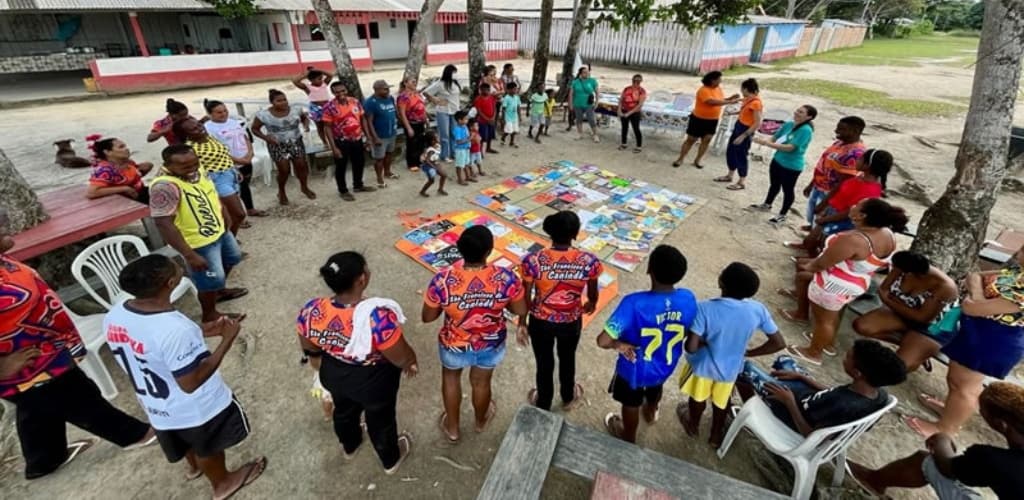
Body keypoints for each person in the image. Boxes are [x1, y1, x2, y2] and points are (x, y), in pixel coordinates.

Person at [0, 207, 157, 480]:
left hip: (45, 348)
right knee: (79, 397)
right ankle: (134, 434)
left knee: (35, 408)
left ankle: (44, 460)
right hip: (28, 363)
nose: (8, 226)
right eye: (1, 227)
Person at [105, 255, 265, 498]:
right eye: (177, 269)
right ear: (170, 283)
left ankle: (193, 468)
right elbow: (191, 383)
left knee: (181, 439)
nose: (181, 268)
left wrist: (200, 332)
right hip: (193, 408)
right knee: (206, 445)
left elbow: (151, 343)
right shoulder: (175, 331)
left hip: (156, 405)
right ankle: (222, 483)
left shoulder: (116, 314)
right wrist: (227, 340)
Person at [296, 251, 418, 473]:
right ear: (362, 279)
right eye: (366, 268)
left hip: (333, 371)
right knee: (380, 418)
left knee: (343, 410)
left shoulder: (312, 309)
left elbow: (307, 342)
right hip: (373, 380)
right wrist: (410, 361)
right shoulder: (377, 317)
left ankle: (350, 446)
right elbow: (398, 355)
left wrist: (317, 361)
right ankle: (390, 458)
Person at [422, 226, 527, 443]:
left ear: (459, 250)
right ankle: (480, 420)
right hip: (491, 344)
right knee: (481, 382)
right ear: (489, 251)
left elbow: (428, 317)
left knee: (451, 379)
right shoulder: (506, 278)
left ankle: (453, 428)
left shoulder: (442, 281)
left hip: (453, 344)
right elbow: (520, 310)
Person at [906, 249, 1024, 438]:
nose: (1019, 252)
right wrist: (979, 299)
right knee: (956, 380)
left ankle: (946, 429)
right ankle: (951, 412)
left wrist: (977, 298)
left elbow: (971, 307)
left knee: (965, 387)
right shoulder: (1017, 273)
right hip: (979, 332)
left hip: (994, 340)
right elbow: (975, 275)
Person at [779, 198, 907, 366]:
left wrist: (809, 265)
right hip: (857, 281)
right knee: (832, 316)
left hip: (833, 284)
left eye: (857, 205)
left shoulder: (854, 240)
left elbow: (821, 264)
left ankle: (813, 352)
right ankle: (826, 342)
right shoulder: (887, 233)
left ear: (862, 215)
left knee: (825, 320)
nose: (852, 205)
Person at [850, 381, 1024, 499]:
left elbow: (948, 468)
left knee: (925, 461)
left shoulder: (993, 460)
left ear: (1001, 424)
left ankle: (873, 480)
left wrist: (942, 441)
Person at [677, 262, 785, 448]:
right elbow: (778, 342)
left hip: (703, 368)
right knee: (722, 402)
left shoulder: (704, 308)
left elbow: (691, 348)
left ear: (721, 283)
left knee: (697, 399)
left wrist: (704, 341)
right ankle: (715, 435)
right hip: (731, 369)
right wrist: (750, 352)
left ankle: (693, 425)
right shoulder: (757, 309)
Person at [597, 245, 698, 444]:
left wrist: (619, 344)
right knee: (655, 389)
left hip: (633, 369)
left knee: (630, 402)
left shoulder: (633, 303)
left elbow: (603, 340)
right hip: (664, 365)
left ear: (649, 269)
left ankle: (628, 436)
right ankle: (651, 412)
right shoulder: (688, 298)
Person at [149, 144, 247, 322]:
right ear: (168, 165)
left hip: (218, 230)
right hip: (198, 242)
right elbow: (163, 223)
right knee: (207, 280)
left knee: (233, 258)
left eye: (195, 163)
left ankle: (219, 290)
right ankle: (210, 315)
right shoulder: (164, 186)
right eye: (185, 166)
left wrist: (224, 213)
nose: (192, 168)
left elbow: (211, 192)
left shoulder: (198, 169)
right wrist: (190, 254)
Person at [518, 211, 603, 411]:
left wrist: (522, 322)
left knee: (544, 362)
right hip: (571, 321)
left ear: (550, 234)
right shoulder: (589, 261)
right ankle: (567, 395)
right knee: (568, 358)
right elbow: (592, 291)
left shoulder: (533, 261)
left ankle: (544, 401)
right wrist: (591, 303)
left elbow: (526, 295)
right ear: (575, 234)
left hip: (540, 322)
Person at [736, 339, 906, 436]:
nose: (844, 358)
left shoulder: (844, 406)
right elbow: (831, 392)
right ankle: (773, 387)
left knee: (742, 368)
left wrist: (789, 402)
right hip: (806, 399)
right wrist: (802, 377)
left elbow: (810, 434)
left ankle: (752, 409)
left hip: (792, 413)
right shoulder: (875, 392)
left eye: (848, 357)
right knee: (784, 361)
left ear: (857, 372)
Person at [853, 251, 959, 372]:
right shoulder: (902, 266)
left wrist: (890, 302)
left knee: (898, 367)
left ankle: (919, 350)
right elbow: (884, 289)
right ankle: (913, 346)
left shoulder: (945, 287)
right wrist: (893, 303)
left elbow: (923, 318)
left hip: (934, 328)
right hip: (903, 314)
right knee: (862, 326)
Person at [786, 148, 892, 254]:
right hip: (832, 212)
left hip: (841, 220)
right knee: (814, 237)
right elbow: (841, 193)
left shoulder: (869, 189)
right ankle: (808, 248)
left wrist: (826, 219)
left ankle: (814, 262)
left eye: (860, 158)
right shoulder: (861, 177)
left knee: (826, 244)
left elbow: (851, 212)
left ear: (867, 165)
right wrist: (826, 207)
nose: (856, 160)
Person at [174, 117, 247, 237]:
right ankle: (229, 240)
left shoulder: (209, 138)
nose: (200, 129)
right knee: (239, 214)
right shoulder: (190, 150)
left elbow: (224, 154)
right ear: (186, 134)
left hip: (230, 175)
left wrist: (234, 170)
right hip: (217, 181)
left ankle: (229, 240)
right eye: (194, 129)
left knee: (228, 215)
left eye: (199, 125)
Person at [749, 104, 818, 224]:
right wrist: (767, 141)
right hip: (777, 160)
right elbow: (775, 137)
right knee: (774, 184)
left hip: (791, 166)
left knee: (787, 190)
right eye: (797, 110)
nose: (797, 113)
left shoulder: (805, 130)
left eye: (801, 112)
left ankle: (783, 214)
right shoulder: (789, 124)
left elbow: (790, 148)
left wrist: (766, 144)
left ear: (809, 117)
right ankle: (767, 204)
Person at [203, 99, 266, 221]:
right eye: (219, 112)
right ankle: (234, 217)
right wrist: (239, 160)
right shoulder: (208, 129)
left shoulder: (235, 123)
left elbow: (246, 138)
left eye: (225, 110)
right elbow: (216, 150)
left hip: (245, 159)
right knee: (231, 191)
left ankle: (250, 209)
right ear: (210, 114)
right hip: (228, 164)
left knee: (245, 186)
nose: (224, 114)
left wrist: (250, 154)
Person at [800, 116, 867, 231]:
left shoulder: (855, 153)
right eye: (837, 128)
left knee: (820, 216)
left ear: (855, 131)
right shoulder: (839, 143)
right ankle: (811, 227)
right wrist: (812, 184)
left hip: (830, 192)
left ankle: (812, 240)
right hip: (819, 186)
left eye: (841, 129)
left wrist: (825, 203)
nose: (836, 131)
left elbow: (844, 182)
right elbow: (823, 165)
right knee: (811, 211)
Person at [251, 89, 316, 205]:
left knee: (301, 165)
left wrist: (305, 125)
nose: (283, 102)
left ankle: (304, 187)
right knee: (284, 170)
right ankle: (281, 191)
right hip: (277, 144)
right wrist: (266, 138)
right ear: (272, 102)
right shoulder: (264, 115)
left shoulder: (296, 110)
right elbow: (254, 129)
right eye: (279, 101)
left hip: (295, 142)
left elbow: (304, 118)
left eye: (284, 99)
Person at [673, 72, 740, 169]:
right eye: (719, 79)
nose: (721, 81)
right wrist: (729, 102)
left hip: (712, 120)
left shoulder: (718, 89)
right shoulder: (703, 90)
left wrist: (730, 98)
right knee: (691, 140)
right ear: (712, 80)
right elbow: (711, 102)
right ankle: (680, 158)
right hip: (698, 119)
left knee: (706, 140)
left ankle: (698, 160)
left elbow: (719, 99)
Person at [322, 82, 376, 201]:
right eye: (337, 92)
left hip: (357, 139)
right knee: (341, 166)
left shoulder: (354, 102)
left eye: (343, 91)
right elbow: (327, 128)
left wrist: (368, 137)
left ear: (346, 90)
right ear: (333, 93)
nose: (341, 94)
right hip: (341, 141)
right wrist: (333, 147)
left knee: (359, 162)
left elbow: (363, 120)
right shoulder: (329, 107)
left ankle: (358, 185)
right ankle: (343, 191)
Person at [716, 78, 762, 190]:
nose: (741, 91)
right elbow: (744, 109)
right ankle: (730, 175)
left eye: (742, 88)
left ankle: (741, 181)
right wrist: (734, 112)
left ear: (746, 89)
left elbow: (757, 122)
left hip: (746, 130)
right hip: (738, 125)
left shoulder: (756, 103)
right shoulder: (747, 99)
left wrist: (744, 136)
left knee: (741, 155)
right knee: (731, 151)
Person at [87, 137, 153, 203]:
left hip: (140, 192)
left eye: (125, 146)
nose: (126, 149)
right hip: (127, 200)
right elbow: (91, 193)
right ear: (107, 152)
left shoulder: (128, 162)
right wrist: (125, 189)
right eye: (121, 147)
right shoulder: (105, 170)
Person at [363, 79, 400, 189]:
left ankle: (387, 172)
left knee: (389, 154)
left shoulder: (390, 98)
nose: (388, 90)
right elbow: (369, 122)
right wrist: (374, 138)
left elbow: (394, 112)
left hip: (391, 133)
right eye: (385, 89)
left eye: (388, 88)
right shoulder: (370, 103)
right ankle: (379, 178)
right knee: (379, 158)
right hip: (380, 135)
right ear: (377, 90)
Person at [423, 65, 462, 162]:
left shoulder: (456, 84)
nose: (455, 75)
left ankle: (453, 153)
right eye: (454, 73)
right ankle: (444, 155)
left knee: (453, 133)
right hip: (443, 111)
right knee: (445, 135)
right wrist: (435, 100)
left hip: (455, 111)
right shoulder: (440, 84)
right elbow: (426, 92)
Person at [291, 67, 332, 147]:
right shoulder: (307, 87)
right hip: (315, 108)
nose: (321, 80)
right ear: (311, 80)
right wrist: (306, 74)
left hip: (327, 107)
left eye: (321, 78)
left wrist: (319, 70)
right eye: (319, 79)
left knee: (329, 125)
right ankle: (325, 142)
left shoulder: (324, 84)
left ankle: (332, 141)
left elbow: (330, 75)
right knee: (320, 127)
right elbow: (295, 81)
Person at [397, 77, 428, 172]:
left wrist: (426, 119)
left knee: (420, 143)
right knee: (412, 144)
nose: (415, 83)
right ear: (406, 83)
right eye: (412, 81)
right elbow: (402, 114)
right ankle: (412, 163)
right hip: (411, 123)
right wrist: (408, 128)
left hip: (421, 122)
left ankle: (419, 161)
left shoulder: (417, 94)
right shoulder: (403, 97)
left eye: (415, 81)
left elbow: (422, 107)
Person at [568, 66, 600, 143]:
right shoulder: (575, 82)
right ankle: (580, 133)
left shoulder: (592, 81)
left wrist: (597, 102)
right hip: (577, 103)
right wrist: (571, 104)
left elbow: (597, 92)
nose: (587, 73)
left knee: (591, 119)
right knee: (578, 119)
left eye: (587, 72)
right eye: (585, 72)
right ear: (581, 73)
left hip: (588, 104)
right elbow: (571, 94)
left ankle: (595, 134)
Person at [618, 74, 647, 153]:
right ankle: (624, 143)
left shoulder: (642, 91)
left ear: (641, 81)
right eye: (635, 80)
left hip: (635, 112)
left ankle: (639, 146)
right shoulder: (627, 89)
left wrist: (629, 113)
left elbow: (639, 105)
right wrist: (619, 110)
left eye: (638, 81)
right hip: (624, 110)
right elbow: (621, 100)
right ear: (632, 80)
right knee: (624, 128)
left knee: (636, 129)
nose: (636, 82)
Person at [472, 83, 499, 155]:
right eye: (484, 90)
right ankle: (480, 150)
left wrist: (493, 117)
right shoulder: (478, 99)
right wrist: (487, 119)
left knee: (490, 135)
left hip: (491, 119)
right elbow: (479, 111)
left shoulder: (492, 98)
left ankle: (488, 148)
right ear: (480, 90)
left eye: (488, 90)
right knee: (483, 136)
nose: (486, 91)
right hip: (482, 120)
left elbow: (495, 108)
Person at [418, 132, 447, 197]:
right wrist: (434, 167)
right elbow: (427, 160)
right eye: (437, 137)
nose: (438, 138)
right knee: (431, 181)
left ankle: (440, 189)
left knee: (444, 175)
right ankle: (422, 191)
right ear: (432, 141)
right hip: (429, 165)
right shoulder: (431, 150)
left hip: (435, 163)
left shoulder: (437, 145)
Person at [451, 110, 475, 185]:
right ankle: (460, 179)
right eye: (465, 119)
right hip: (460, 150)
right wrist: (469, 139)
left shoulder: (464, 127)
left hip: (466, 148)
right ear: (459, 120)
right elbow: (458, 141)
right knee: (459, 165)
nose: (467, 120)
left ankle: (467, 176)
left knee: (466, 163)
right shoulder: (457, 129)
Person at [501, 83, 522, 148]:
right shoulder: (506, 98)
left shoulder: (517, 97)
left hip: (515, 117)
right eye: (514, 89)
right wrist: (503, 118)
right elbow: (503, 109)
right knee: (509, 130)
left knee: (515, 130)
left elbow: (518, 107)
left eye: (516, 89)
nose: (515, 91)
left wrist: (520, 116)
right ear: (508, 90)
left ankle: (511, 142)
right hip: (508, 117)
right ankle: (503, 137)